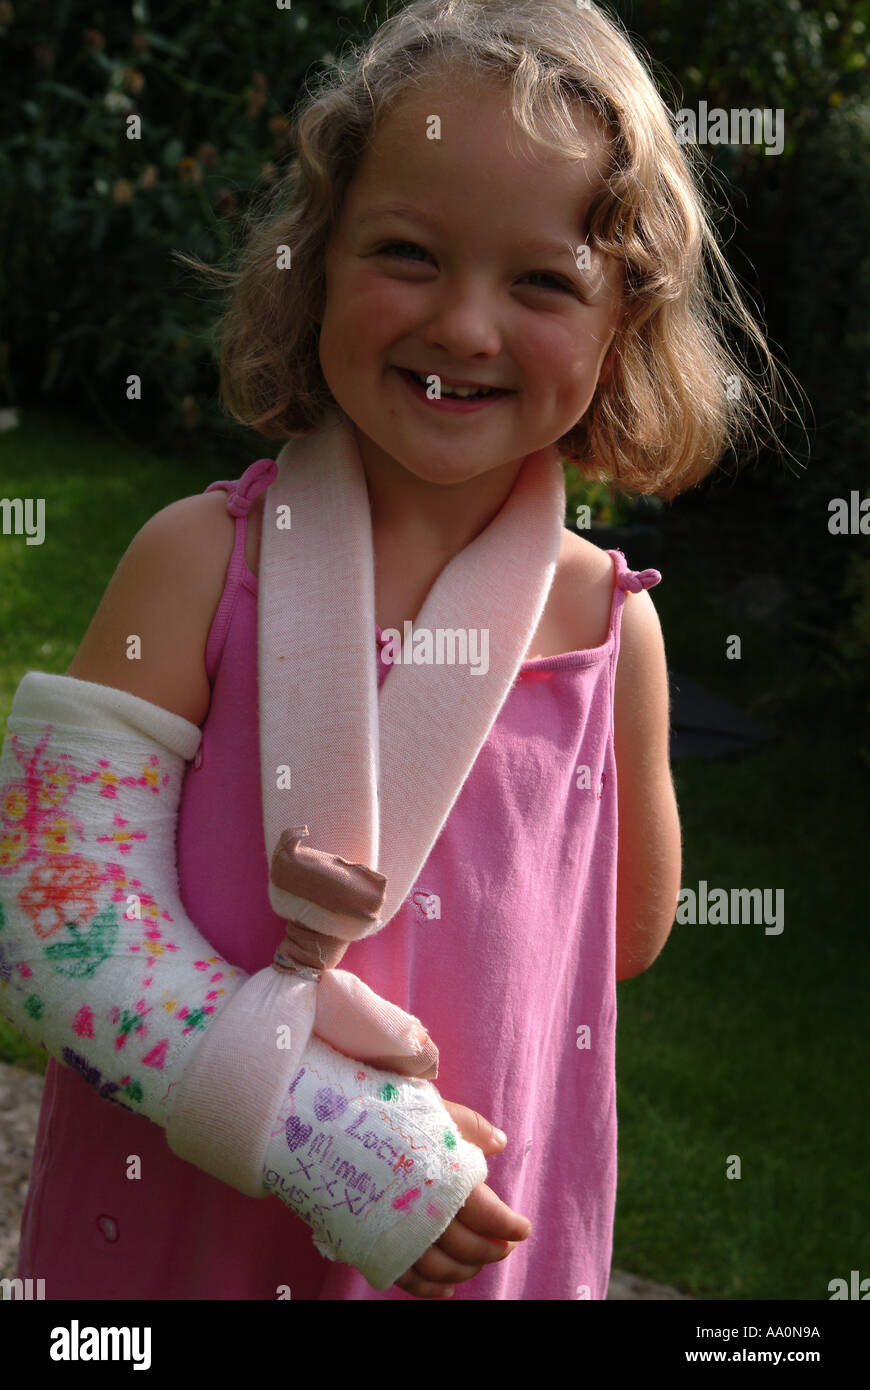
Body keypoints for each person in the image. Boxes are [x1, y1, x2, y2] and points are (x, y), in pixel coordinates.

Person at [4, 0, 791, 1300]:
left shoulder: (613, 630)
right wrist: (329, 1136)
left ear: (625, 325)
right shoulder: (198, 562)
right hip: (187, 1233)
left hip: (459, 1227)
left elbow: (624, 931)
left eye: (540, 280)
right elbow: (59, 912)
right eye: (409, 255)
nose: (466, 326)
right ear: (311, 267)